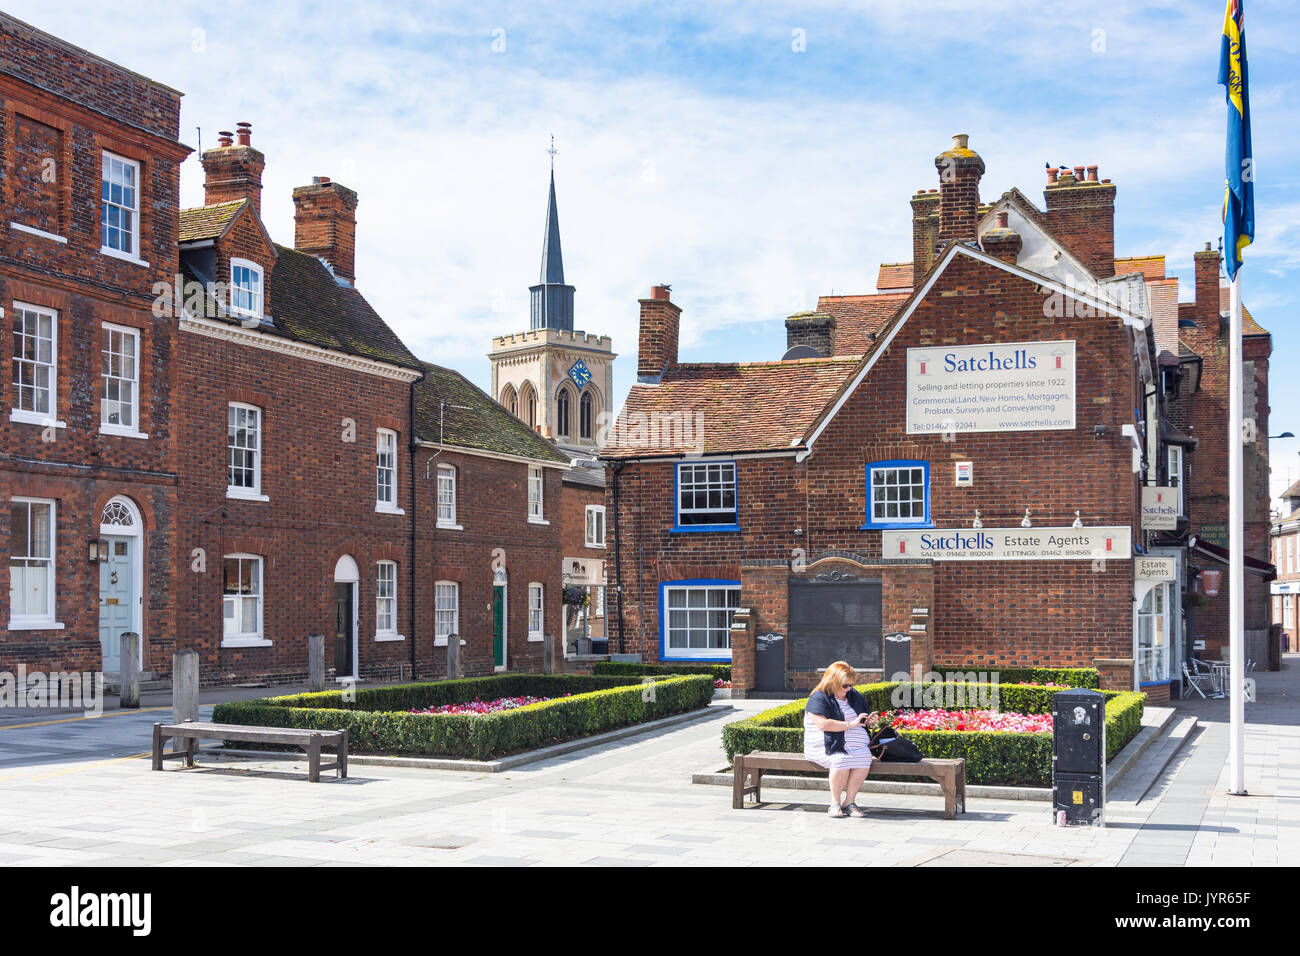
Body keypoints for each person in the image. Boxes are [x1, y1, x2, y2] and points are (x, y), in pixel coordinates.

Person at [803, 660, 873, 817]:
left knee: (864, 757)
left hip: (854, 746)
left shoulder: (853, 695)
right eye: (845, 686)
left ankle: (849, 802)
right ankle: (834, 803)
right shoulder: (819, 697)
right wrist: (850, 725)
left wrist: (868, 721)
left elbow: (863, 716)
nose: (848, 689)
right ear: (832, 682)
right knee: (840, 759)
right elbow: (823, 724)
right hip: (826, 746)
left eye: (850, 685)